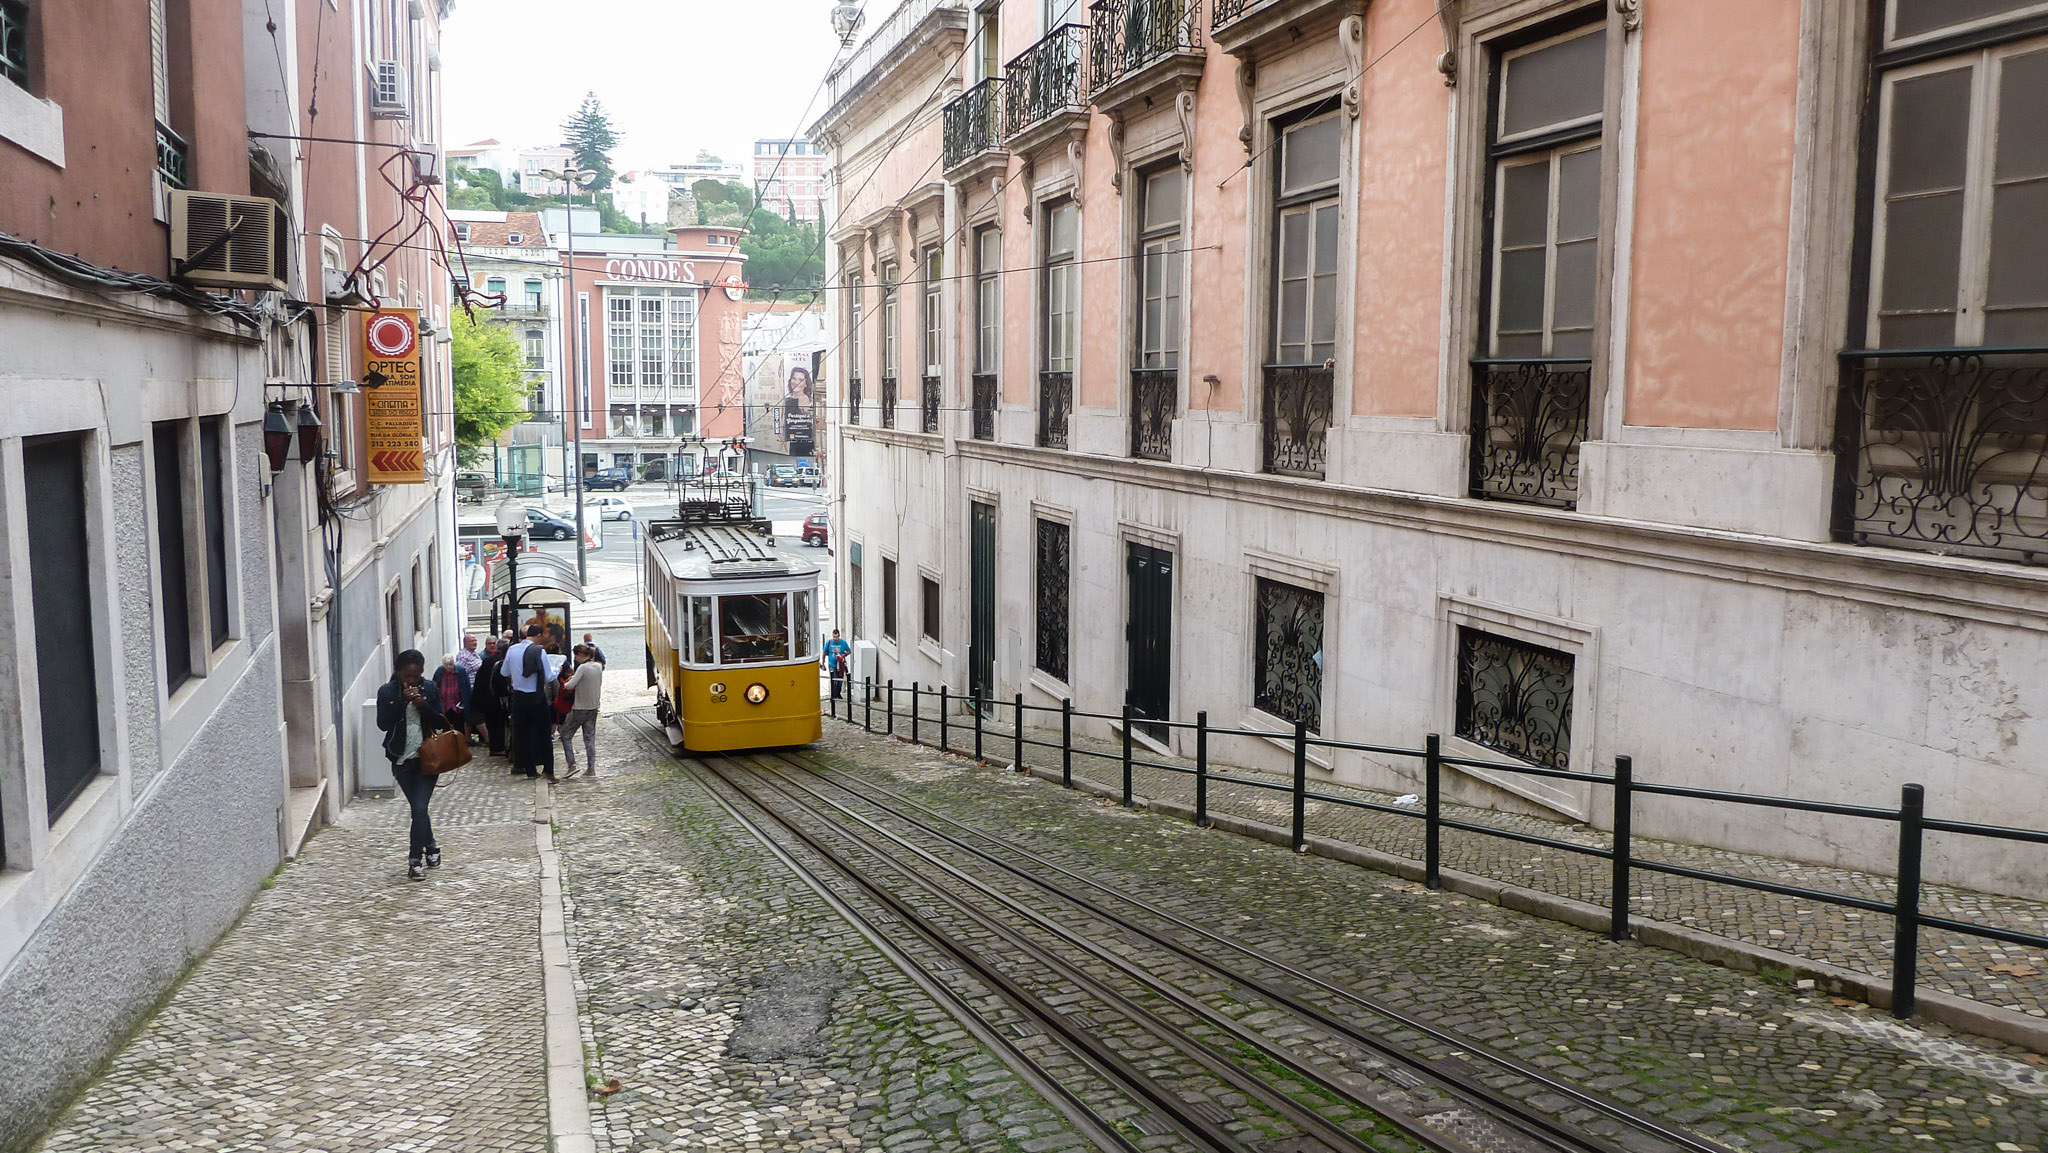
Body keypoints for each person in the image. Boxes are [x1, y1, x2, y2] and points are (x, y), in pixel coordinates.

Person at [375, 649, 446, 881]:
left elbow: (441, 721)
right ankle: (432, 846)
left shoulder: (430, 689)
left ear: (422, 673)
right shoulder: (387, 692)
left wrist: (422, 704)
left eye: (415, 676)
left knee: (418, 808)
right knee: (420, 810)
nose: (411, 681)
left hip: (427, 760)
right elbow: (383, 724)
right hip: (401, 759)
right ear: (399, 672)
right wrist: (401, 703)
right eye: (407, 676)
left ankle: (415, 861)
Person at [503, 624, 555, 779]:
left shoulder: (512, 650)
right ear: (538, 635)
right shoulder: (540, 651)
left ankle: (530, 770)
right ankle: (548, 769)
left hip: (518, 697)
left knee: (523, 735)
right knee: (544, 734)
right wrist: (557, 669)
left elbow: (503, 671)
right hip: (536, 697)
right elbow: (548, 677)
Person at [559, 644, 604, 778]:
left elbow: (570, 685)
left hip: (579, 707)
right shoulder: (598, 666)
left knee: (565, 735)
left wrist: (565, 682)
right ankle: (591, 768)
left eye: (576, 656)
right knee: (589, 738)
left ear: (580, 655)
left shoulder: (582, 668)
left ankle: (571, 765)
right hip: (593, 706)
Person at [473, 636, 507, 755]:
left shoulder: (488, 660)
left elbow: (479, 680)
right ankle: (499, 747)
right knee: (500, 724)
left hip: (487, 698)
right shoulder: (501, 662)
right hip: (497, 697)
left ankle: (494, 747)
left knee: (492, 723)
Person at [430, 654, 470, 737]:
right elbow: (434, 686)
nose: (449, 667)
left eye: (451, 664)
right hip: (444, 704)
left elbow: (466, 688)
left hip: (457, 704)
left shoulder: (460, 671)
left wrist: (466, 703)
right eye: (446, 665)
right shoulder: (440, 671)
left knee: (459, 727)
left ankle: (459, 744)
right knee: (446, 727)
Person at [822, 629, 851, 701]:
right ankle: (834, 695)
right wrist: (823, 663)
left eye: (836, 637)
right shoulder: (829, 643)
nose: (835, 638)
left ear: (839, 636)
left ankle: (838, 694)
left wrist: (844, 655)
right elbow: (824, 653)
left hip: (840, 664)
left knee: (840, 680)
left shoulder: (843, 643)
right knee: (834, 680)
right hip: (832, 664)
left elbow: (849, 651)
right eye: (834, 637)